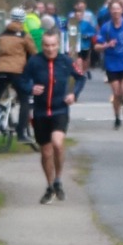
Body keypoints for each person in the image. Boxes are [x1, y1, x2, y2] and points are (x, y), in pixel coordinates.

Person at [23, 27, 81, 202]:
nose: (50, 49)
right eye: (47, 45)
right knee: (46, 152)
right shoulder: (34, 62)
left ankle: (58, 180)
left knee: (57, 143)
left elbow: (81, 78)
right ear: (42, 45)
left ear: (58, 44)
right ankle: (50, 187)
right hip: (40, 112)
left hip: (59, 110)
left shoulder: (65, 61)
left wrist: (74, 94)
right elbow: (22, 80)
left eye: (53, 45)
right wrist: (30, 88)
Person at [0, 8, 35, 147]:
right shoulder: (24, 35)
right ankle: (21, 134)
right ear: (23, 20)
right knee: (24, 100)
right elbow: (33, 53)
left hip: (0, 70)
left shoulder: (2, 35)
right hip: (17, 72)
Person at [93, 0, 123, 127]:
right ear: (110, 11)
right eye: (113, 9)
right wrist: (107, 45)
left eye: (117, 9)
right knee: (117, 94)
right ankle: (117, 118)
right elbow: (96, 47)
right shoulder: (106, 28)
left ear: (122, 10)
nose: (115, 12)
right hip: (112, 65)